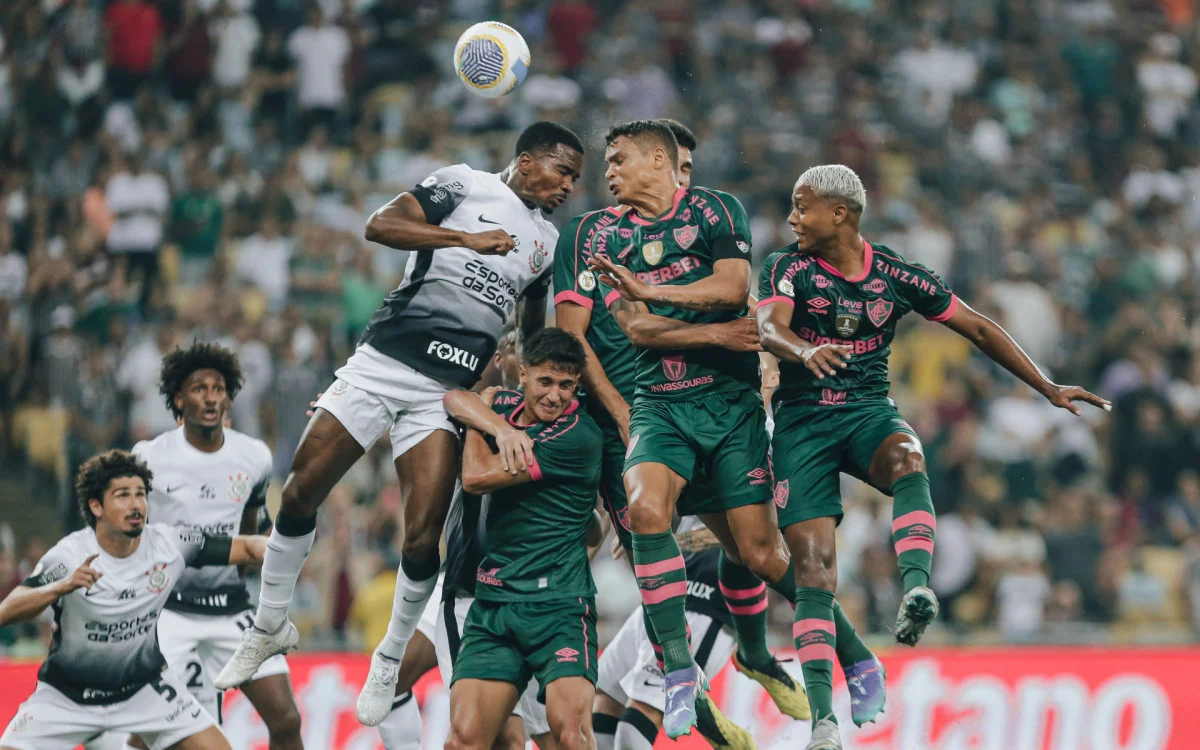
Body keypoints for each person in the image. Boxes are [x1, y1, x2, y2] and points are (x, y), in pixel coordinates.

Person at [215, 122, 585, 728]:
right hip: (384, 362)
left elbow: (529, 334)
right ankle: (268, 625)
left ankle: (390, 656)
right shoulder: (462, 184)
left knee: (421, 537)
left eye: (575, 177)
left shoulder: (545, 243)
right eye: (563, 170)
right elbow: (380, 225)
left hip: (446, 393)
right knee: (302, 489)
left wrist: (515, 390)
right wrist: (465, 238)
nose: (570, 185)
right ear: (527, 160)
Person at [754, 164, 1110, 750]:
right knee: (814, 572)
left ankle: (917, 588)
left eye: (802, 206)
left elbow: (976, 327)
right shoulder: (787, 266)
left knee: (909, 456)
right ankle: (823, 721)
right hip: (802, 426)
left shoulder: (895, 274)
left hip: (866, 412)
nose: (792, 217)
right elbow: (769, 326)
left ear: (839, 213)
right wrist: (803, 349)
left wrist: (1045, 386)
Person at [586, 119, 801, 738]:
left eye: (686, 168)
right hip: (652, 417)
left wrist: (764, 376)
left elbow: (746, 312)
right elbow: (630, 328)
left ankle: (742, 662)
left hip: (724, 420)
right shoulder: (613, 237)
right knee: (611, 707)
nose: (613, 173)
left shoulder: (716, 227)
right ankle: (700, 686)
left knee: (744, 549)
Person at [0, 450, 268, 750]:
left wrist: (284, 547)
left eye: (140, 494)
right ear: (96, 505)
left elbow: (247, 548)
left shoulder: (171, 544)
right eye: (123, 495)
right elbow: (6, 610)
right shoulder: (69, 556)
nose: (136, 504)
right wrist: (60, 587)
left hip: (143, 690)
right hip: (68, 697)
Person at [129, 343, 301, 748]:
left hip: (232, 610)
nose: (210, 396)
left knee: (287, 720)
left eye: (219, 388)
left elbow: (253, 529)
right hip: (170, 613)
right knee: (151, 733)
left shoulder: (253, 456)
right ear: (178, 398)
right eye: (199, 388)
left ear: (229, 397)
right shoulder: (149, 457)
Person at [440, 329, 601, 750]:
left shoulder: (577, 436)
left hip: (559, 608)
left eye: (566, 386)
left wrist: (481, 426)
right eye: (545, 382)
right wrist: (496, 423)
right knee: (463, 740)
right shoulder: (508, 409)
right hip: (495, 607)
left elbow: (475, 478)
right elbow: (455, 398)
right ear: (524, 376)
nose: (555, 396)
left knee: (570, 733)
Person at [593, 519, 752, 750]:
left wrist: (663, 541)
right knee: (606, 697)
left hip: (708, 598)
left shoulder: (753, 483)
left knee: (634, 726)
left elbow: (758, 532)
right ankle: (703, 711)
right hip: (662, 589)